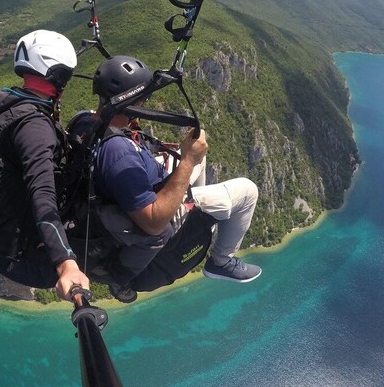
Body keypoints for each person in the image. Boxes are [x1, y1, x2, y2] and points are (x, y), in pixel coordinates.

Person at [85, 55, 261, 302]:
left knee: (201, 156)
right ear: (133, 100)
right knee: (247, 190)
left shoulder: (88, 121)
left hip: (132, 193)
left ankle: (199, 219)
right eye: (143, 98)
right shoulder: (118, 153)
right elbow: (154, 223)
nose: (145, 102)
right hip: (152, 215)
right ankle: (220, 261)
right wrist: (187, 159)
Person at [0, 29, 90, 301]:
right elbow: (42, 196)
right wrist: (66, 262)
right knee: (104, 247)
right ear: (59, 76)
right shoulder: (35, 127)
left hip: (3, 238)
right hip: (20, 255)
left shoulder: (13, 105)